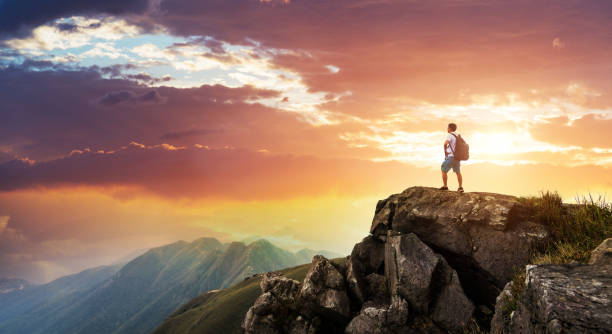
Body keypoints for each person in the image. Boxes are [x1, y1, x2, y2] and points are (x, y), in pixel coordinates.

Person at [440, 123, 463, 193]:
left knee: (443, 169)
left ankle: (445, 186)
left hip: (451, 157)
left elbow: (445, 143)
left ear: (450, 128)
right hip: (457, 157)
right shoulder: (458, 135)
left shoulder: (450, 135)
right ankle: (460, 187)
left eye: (447, 127)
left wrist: (445, 152)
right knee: (458, 172)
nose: (447, 129)